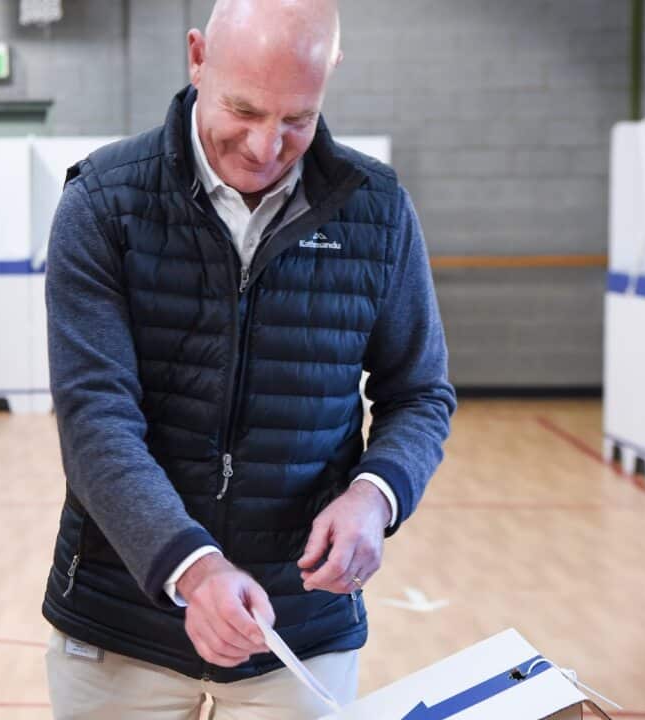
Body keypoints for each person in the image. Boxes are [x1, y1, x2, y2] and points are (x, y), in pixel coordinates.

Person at [40, 0, 455, 716]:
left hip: (299, 628)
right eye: (244, 110)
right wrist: (191, 569)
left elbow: (419, 394)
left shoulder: (379, 209)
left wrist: (374, 495)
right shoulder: (103, 202)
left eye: (297, 119)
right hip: (121, 622)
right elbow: (94, 421)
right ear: (197, 57)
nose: (266, 147)